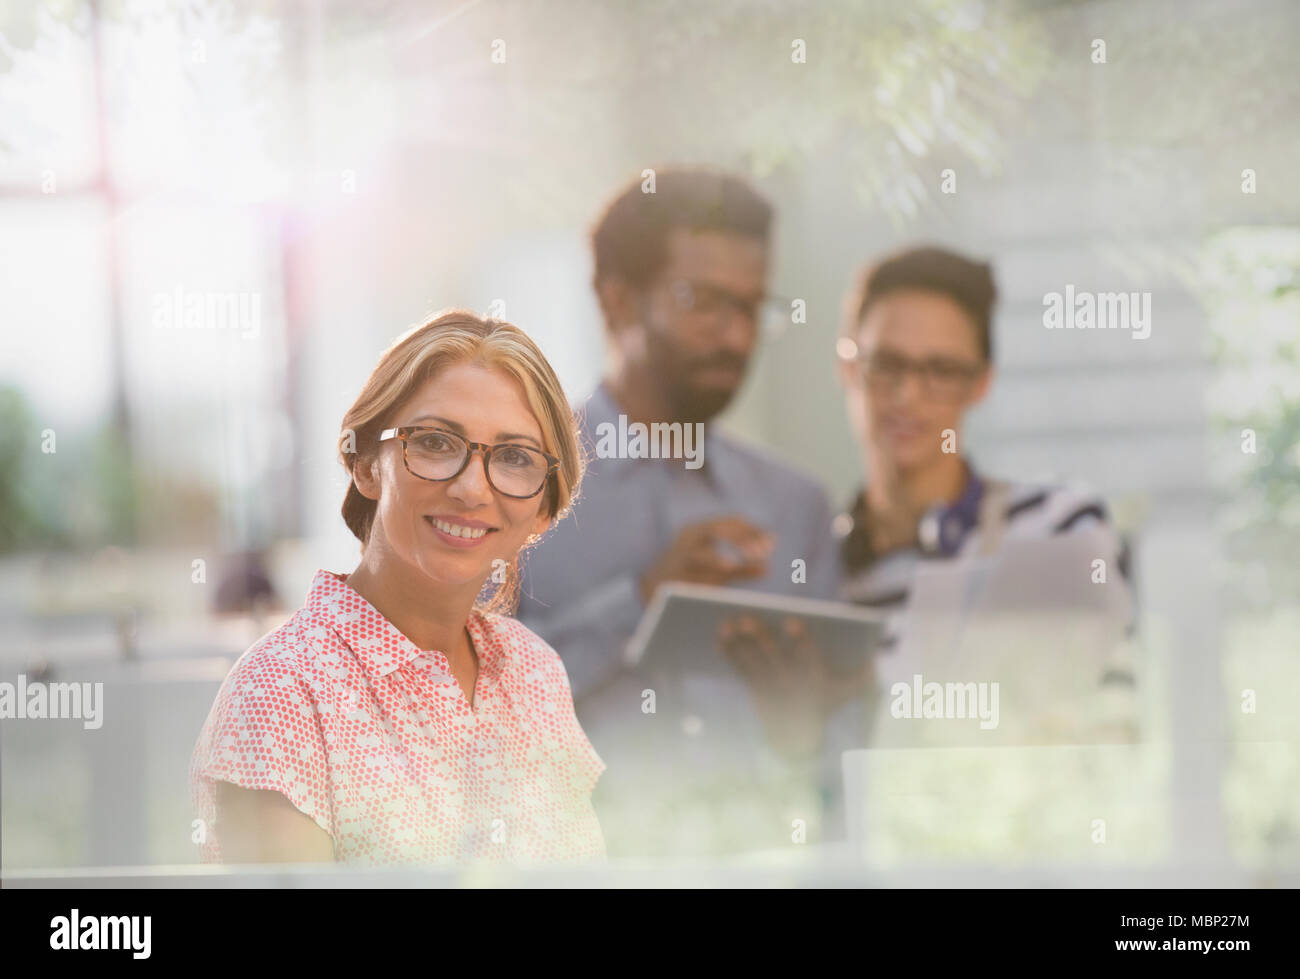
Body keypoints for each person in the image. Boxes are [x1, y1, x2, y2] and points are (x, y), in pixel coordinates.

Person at [189, 311, 605, 865]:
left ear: (544, 509)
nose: (470, 488)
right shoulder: (283, 693)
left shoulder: (533, 673)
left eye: (513, 458)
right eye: (435, 442)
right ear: (365, 465)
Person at [516, 168, 844, 856]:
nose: (735, 336)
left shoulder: (797, 507)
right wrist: (640, 603)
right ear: (616, 302)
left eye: (753, 307)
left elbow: (829, 763)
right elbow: (472, 716)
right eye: (705, 301)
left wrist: (805, 726)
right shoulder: (514, 493)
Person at [825, 245, 1137, 829]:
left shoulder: (1056, 524)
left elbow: (1106, 736)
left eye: (941, 371)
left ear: (981, 384)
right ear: (848, 367)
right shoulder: (813, 566)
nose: (907, 396)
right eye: (886, 364)